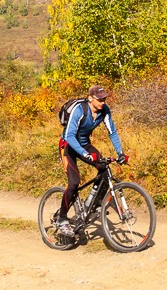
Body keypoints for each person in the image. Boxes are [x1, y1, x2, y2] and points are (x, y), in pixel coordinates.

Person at [56, 84, 127, 236]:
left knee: (104, 168)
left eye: (104, 99)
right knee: (74, 182)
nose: (103, 102)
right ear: (90, 99)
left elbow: (112, 132)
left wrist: (120, 153)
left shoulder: (104, 111)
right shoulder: (80, 110)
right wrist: (84, 153)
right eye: (99, 99)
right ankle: (62, 218)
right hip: (68, 146)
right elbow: (69, 136)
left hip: (84, 144)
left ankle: (94, 205)